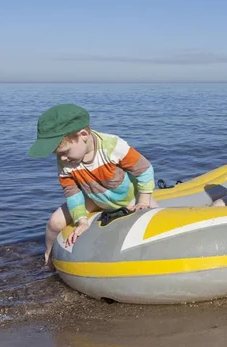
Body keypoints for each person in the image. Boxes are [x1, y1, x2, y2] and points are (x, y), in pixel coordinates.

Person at [28, 104, 158, 264]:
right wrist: (81, 220)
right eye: (57, 154)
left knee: (153, 218)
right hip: (94, 199)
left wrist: (143, 201)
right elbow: (72, 192)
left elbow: (144, 169)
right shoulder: (66, 161)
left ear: (84, 134)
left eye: (64, 152)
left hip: (130, 198)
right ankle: (48, 257)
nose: (62, 159)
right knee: (54, 222)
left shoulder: (113, 147)